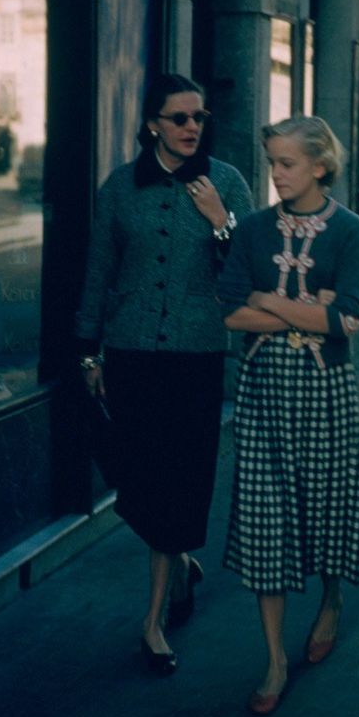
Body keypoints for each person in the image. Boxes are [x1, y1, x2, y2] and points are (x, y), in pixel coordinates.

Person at [75, 72, 253, 675]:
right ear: (152, 122)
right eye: (178, 118)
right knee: (136, 479)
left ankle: (152, 621)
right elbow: (99, 270)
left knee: (176, 479)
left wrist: (220, 218)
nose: (191, 128)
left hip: (197, 358)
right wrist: (89, 352)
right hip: (130, 355)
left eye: (199, 117)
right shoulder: (121, 185)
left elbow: (248, 275)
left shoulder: (226, 181)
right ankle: (179, 559)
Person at [218, 115, 359, 715]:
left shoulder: (350, 231)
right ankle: (275, 660)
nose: (276, 174)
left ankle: (330, 599)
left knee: (327, 504)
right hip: (263, 392)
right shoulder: (254, 230)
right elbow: (230, 313)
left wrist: (270, 299)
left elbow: (349, 320)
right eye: (272, 163)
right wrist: (308, 307)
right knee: (265, 519)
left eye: (286, 163)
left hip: (325, 389)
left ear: (319, 167)